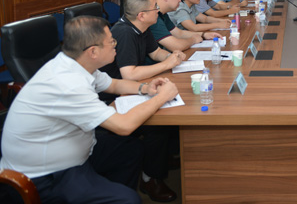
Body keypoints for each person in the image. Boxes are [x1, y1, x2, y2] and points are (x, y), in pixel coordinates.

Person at [0, 16, 179, 204]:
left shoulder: (75, 63)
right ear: (93, 51)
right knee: (128, 199)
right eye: (111, 42)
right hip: (46, 176)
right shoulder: (68, 84)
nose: (115, 45)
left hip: (76, 149)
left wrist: (146, 88)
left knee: (130, 150)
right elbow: (123, 126)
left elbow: (114, 84)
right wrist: (161, 97)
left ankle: (107, 192)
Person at [100, 0, 185, 202]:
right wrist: (166, 64)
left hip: (130, 88)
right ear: (141, 15)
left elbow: (155, 53)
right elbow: (129, 74)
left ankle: (162, 159)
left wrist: (174, 57)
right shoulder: (124, 32)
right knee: (157, 125)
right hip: (113, 97)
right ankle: (150, 179)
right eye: (154, 7)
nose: (158, 10)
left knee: (171, 107)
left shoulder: (143, 28)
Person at [150, 0, 220, 53]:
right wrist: (193, 39)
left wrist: (204, 35)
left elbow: (179, 33)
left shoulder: (162, 14)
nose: (180, 0)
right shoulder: (153, 17)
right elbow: (176, 46)